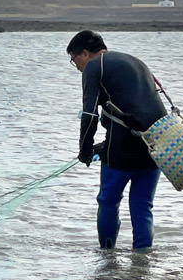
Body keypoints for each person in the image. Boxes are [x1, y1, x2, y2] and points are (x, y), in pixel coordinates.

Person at [68, 30, 166, 252]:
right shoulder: (135, 61)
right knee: (142, 206)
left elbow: (90, 115)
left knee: (108, 201)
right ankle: (142, 262)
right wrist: (101, 144)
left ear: (84, 53)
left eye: (74, 61)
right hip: (156, 144)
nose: (77, 67)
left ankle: (107, 257)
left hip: (122, 148)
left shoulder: (95, 66)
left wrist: (84, 150)